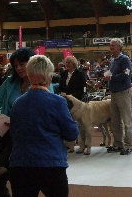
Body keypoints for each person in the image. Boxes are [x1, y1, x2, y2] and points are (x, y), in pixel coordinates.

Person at [9, 55, 79, 197]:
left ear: (28, 75)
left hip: (21, 164)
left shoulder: (17, 103)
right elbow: (72, 134)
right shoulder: (58, 102)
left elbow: (14, 134)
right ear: (49, 76)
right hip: (51, 164)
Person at [0, 48, 54, 196]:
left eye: (22, 64)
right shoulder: (9, 82)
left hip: (30, 140)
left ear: (32, 63)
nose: (18, 68)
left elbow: (50, 112)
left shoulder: (45, 83)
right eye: (15, 65)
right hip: (7, 137)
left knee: (20, 183)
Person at [104, 38, 132, 155]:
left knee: (127, 120)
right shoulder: (112, 60)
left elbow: (126, 76)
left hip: (123, 92)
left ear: (120, 47)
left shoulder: (124, 59)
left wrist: (111, 78)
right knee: (115, 121)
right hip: (114, 92)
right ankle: (118, 144)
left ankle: (128, 145)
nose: (111, 47)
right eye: (110, 45)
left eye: (113, 45)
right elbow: (112, 74)